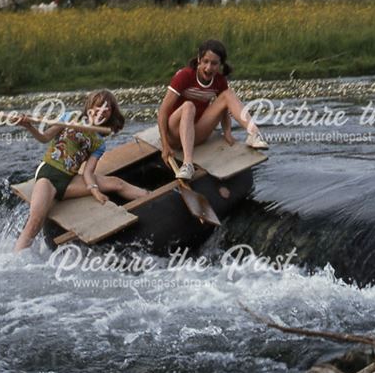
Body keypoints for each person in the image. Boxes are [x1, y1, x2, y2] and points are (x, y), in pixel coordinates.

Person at [14, 90, 148, 252]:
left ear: (111, 113)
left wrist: (95, 191)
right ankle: (16, 257)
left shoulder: (99, 142)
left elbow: (88, 172)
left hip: (70, 180)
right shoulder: (70, 118)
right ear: (90, 107)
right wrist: (28, 125)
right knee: (35, 222)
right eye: (98, 107)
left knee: (116, 183)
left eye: (107, 110)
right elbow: (44, 137)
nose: (102, 112)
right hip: (49, 175)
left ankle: (149, 196)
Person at [158, 39, 268, 180]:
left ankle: (254, 133)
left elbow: (225, 106)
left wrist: (227, 132)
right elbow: (163, 111)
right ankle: (188, 164)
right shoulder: (185, 75)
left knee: (228, 94)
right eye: (205, 61)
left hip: (195, 134)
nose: (208, 68)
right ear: (199, 60)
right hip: (173, 134)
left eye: (214, 63)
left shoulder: (219, 80)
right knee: (188, 106)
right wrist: (165, 145)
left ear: (220, 65)